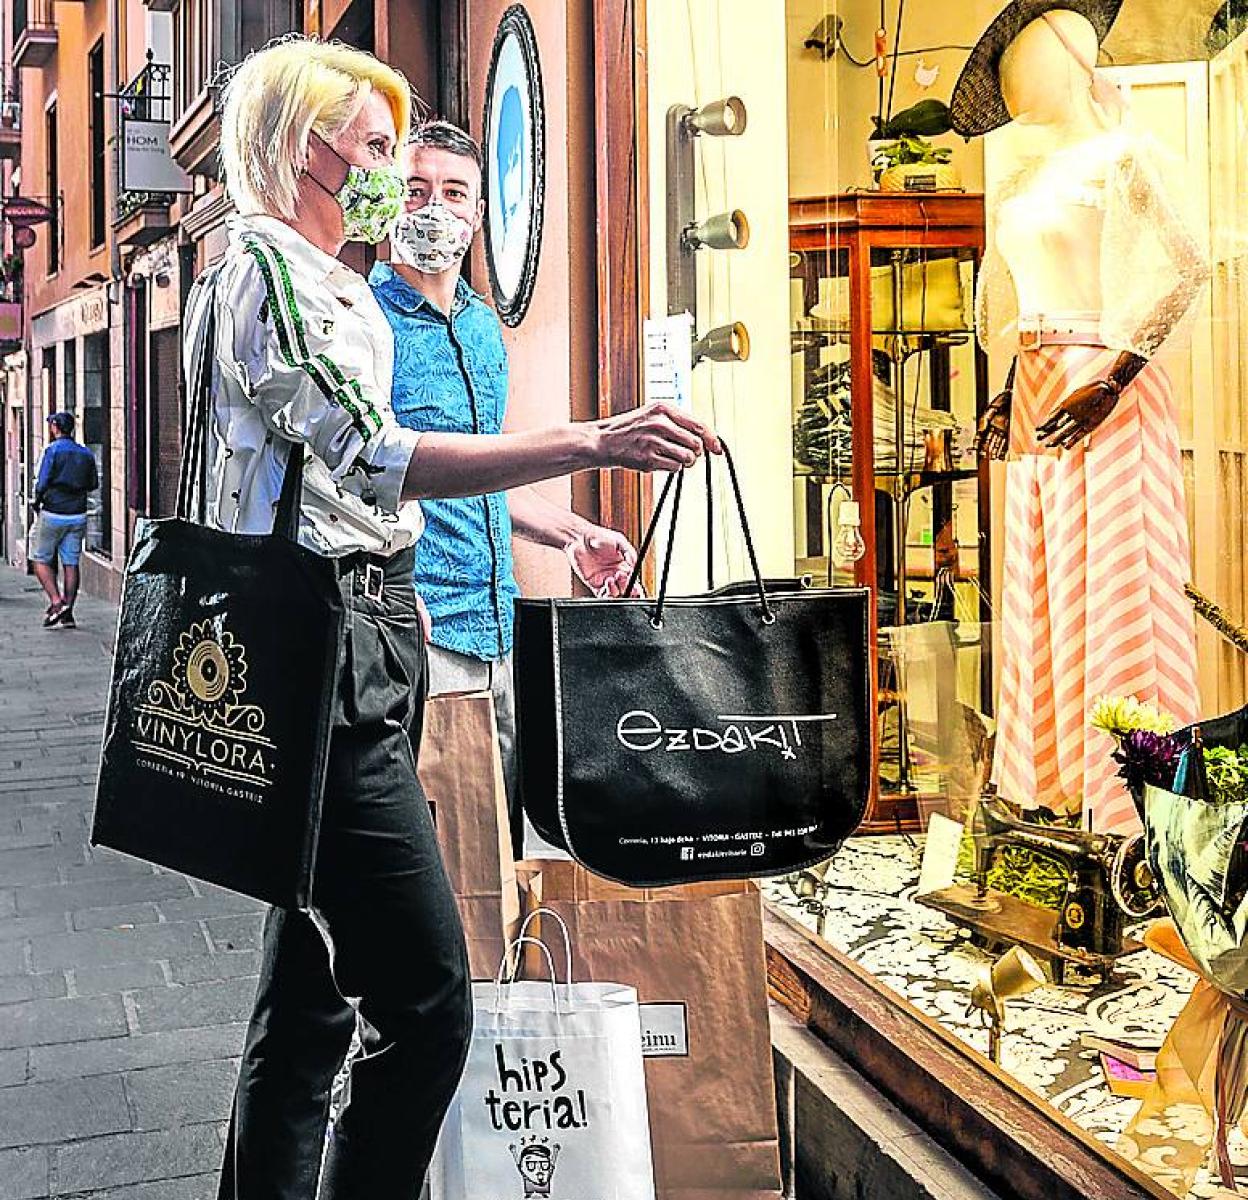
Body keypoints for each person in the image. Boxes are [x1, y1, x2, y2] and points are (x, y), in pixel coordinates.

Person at [204, 37, 720, 1200]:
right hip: (345, 655)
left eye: (432, 173)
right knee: (427, 1003)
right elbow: (377, 456)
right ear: (299, 148)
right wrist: (594, 440)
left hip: (366, 652)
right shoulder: (282, 274)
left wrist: (562, 524)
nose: (401, 184)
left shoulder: (387, 300)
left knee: (313, 993)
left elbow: (442, 477)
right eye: (380, 152)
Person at [952, 2, 1208, 834]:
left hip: (1108, 392)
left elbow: (1184, 271)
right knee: (1045, 596)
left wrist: (1117, 376)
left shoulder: (1129, 156)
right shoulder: (1028, 180)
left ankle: (1143, 819)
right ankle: (1055, 797)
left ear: (1066, 51)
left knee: (1119, 589)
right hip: (1037, 397)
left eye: (1022, 58)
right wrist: (1002, 395)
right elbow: (1019, 299)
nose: (1012, 81)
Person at [370, 120, 639, 856]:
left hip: (500, 629)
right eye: (415, 189)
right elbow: (364, 476)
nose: (434, 208)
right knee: (443, 856)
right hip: (421, 631)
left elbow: (484, 480)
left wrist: (572, 533)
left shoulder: (483, 326)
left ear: (478, 213)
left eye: (454, 193)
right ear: (387, 200)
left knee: (511, 850)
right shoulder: (363, 324)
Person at [29, 411, 99, 629]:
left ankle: (57, 603)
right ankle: (68, 614)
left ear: (56, 427)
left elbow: (42, 482)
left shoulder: (52, 451)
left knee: (39, 558)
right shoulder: (85, 453)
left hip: (53, 512)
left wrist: (37, 501)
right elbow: (93, 484)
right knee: (71, 562)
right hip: (77, 514)